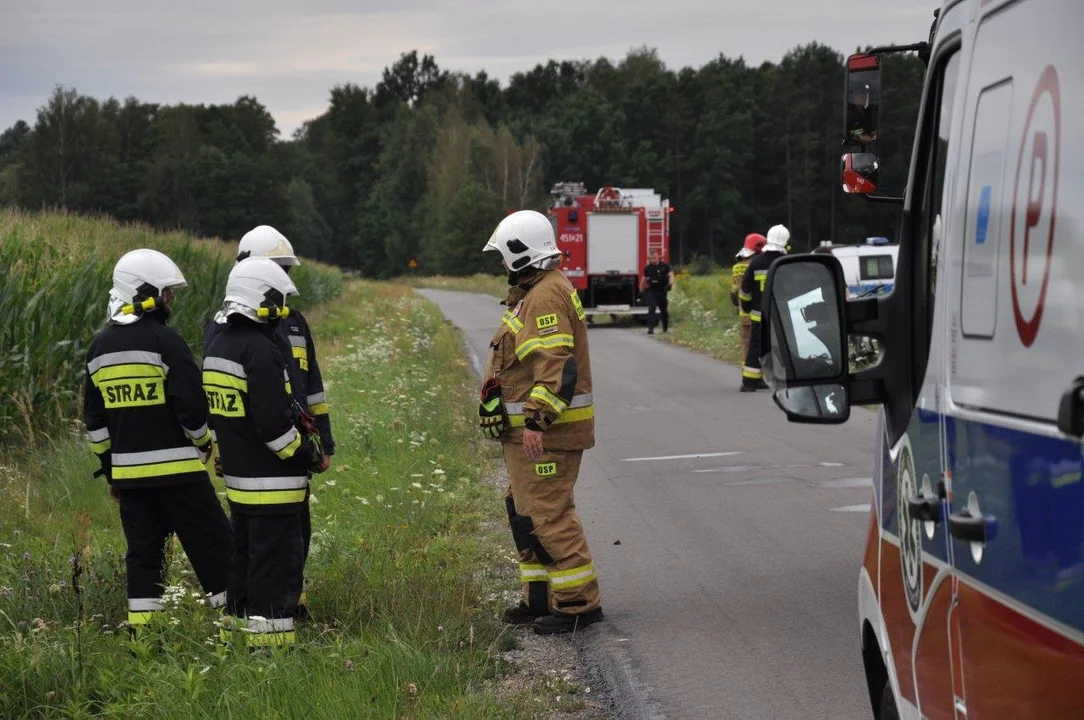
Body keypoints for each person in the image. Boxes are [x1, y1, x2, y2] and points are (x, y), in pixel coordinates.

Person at [82, 249, 232, 632]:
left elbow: (96, 424)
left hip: (131, 479)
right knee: (213, 544)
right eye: (166, 294)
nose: (170, 302)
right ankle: (237, 621)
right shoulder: (165, 341)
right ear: (144, 293)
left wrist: (112, 470)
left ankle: (144, 636)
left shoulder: (97, 349)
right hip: (180, 473)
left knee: (144, 555)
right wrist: (203, 443)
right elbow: (192, 407)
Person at [479, 209, 603, 635]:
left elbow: (555, 367)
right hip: (531, 435)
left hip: (546, 434)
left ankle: (577, 604)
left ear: (520, 253)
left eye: (503, 255)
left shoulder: (546, 296)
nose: (501, 264)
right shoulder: (537, 292)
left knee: (547, 513)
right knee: (524, 510)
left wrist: (536, 420)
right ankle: (538, 597)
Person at [204, 225, 334, 621]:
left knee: (295, 534)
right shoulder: (226, 329)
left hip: (292, 448)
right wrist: (221, 445)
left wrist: (323, 444)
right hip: (262, 454)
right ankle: (273, 616)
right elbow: (219, 396)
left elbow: (312, 388)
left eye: (285, 272)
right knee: (263, 542)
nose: (282, 281)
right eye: (274, 270)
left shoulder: (293, 323)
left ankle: (291, 602)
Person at [740, 224, 790, 392]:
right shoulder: (785, 262)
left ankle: (749, 383)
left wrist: (747, 307)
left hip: (758, 315)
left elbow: (745, 290)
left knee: (755, 347)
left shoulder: (756, 261)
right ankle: (779, 380)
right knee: (778, 347)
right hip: (779, 316)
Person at [731, 233, 766, 367]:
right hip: (758, 313)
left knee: (746, 345)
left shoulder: (737, 267)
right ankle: (759, 375)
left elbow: (734, 293)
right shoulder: (758, 264)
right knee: (760, 345)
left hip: (744, 313)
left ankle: (747, 374)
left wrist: (740, 307)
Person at [640, 251, 675, 334]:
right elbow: (643, 279)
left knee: (663, 311)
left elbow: (671, 275)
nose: (653, 260)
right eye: (651, 258)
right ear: (649, 259)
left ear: (658, 257)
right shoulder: (647, 268)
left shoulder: (665, 266)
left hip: (662, 290)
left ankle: (665, 328)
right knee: (651, 309)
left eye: (654, 258)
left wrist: (670, 284)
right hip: (652, 291)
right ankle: (650, 329)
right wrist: (641, 291)